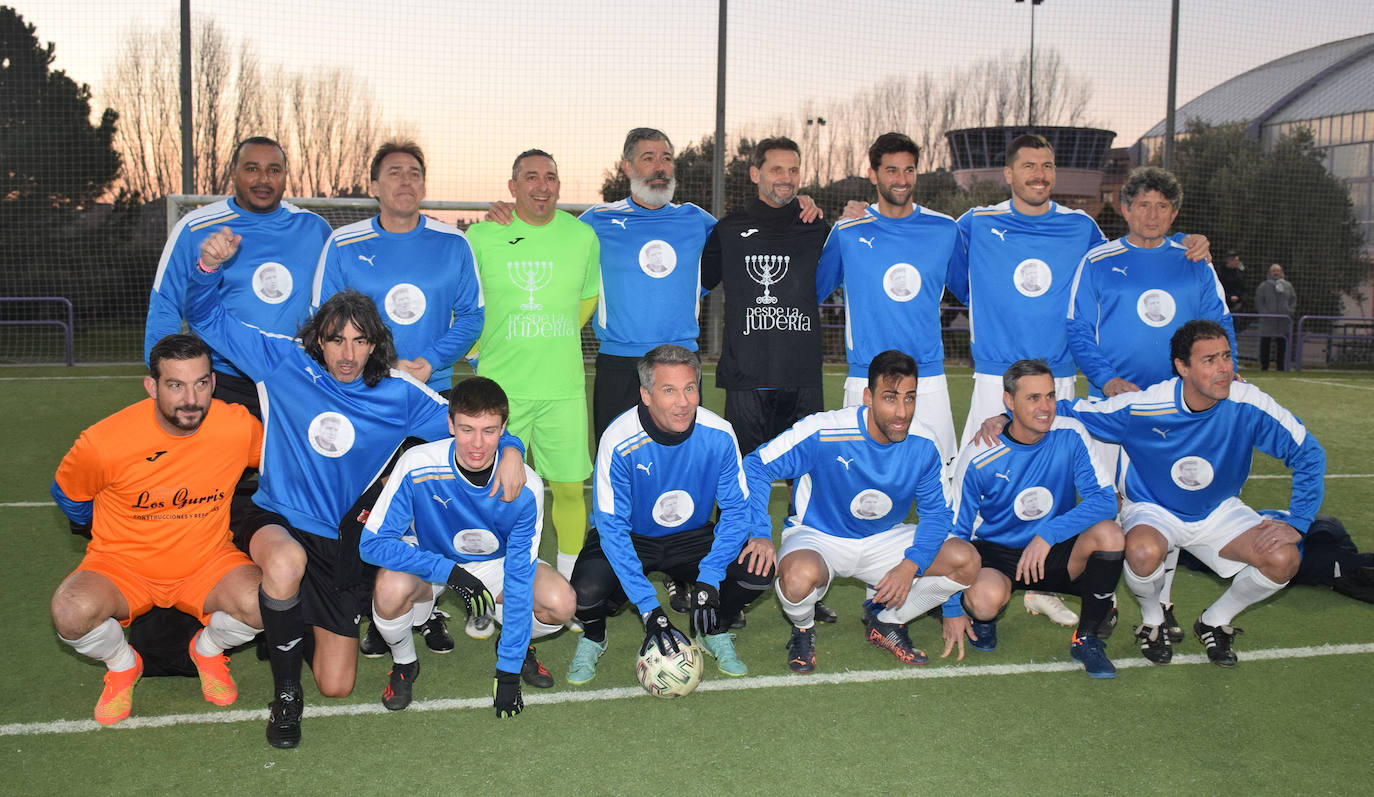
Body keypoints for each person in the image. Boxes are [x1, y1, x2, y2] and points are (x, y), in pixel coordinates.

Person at [186, 232, 526, 747]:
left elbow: (468, 423)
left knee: (338, 684)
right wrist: (207, 268)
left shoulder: (398, 392)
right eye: (336, 339)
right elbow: (208, 319)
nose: (348, 354)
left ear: (376, 344)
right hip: (279, 518)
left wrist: (512, 448)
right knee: (283, 566)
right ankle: (285, 696)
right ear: (317, 338)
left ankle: (288, 623)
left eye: (360, 340)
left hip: (341, 544)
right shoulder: (283, 364)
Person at [950, 135, 1208, 627]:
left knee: (1063, 491)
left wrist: (1190, 242)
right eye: (1028, 166)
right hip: (994, 378)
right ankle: (959, 590)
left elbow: (1123, 264)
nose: (1039, 175)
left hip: (1061, 383)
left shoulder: (1082, 226)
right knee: (975, 483)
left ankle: (1043, 585)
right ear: (1009, 174)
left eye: (1047, 166)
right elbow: (957, 278)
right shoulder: (977, 223)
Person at [1053, 320, 1326, 667]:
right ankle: (1153, 621)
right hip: (1154, 509)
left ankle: (1214, 621)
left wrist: (1298, 521)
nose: (1224, 368)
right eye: (1209, 360)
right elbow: (1073, 411)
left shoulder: (1247, 402)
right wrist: (1006, 417)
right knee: (1141, 551)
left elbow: (1308, 452)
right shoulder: (1145, 406)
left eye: (1226, 356)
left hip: (1218, 512)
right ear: (1182, 367)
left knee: (1284, 558)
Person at [49, 334, 265, 724]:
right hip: (122, 566)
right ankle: (121, 665)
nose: (190, 399)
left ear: (213, 383)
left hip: (207, 563)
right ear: (152, 387)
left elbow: (278, 461)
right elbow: (68, 495)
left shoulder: (237, 426)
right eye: (175, 385)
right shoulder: (104, 441)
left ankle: (209, 649)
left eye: (201, 383)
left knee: (267, 602)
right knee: (69, 613)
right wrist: (93, 527)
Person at [746, 350, 979, 674]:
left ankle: (886, 622)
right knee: (797, 580)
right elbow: (756, 466)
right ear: (868, 396)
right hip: (819, 537)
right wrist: (759, 531)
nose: (902, 412)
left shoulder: (924, 442)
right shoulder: (824, 430)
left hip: (883, 540)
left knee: (966, 561)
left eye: (909, 398)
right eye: (890, 398)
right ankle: (803, 629)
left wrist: (911, 564)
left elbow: (936, 514)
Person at [360, 377, 574, 716]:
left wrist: (507, 673)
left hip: (494, 564)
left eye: (489, 431)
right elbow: (372, 544)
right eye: (466, 429)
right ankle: (404, 664)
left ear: (504, 428)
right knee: (389, 587)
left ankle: (518, 650)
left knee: (560, 603)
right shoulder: (417, 463)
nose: (477, 444)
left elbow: (518, 579)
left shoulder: (525, 485)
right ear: (449, 424)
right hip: (432, 560)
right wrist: (449, 571)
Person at [565, 345, 771, 683]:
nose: (683, 401)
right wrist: (649, 608)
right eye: (669, 390)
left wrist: (710, 578)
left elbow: (736, 512)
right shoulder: (618, 440)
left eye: (690, 388)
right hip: (632, 538)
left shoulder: (718, 434)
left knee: (758, 570)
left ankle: (712, 627)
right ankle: (594, 637)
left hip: (691, 537)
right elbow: (612, 529)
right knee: (585, 595)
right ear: (646, 395)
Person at [465, 149, 600, 581]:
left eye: (551, 177)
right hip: (501, 392)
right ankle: (490, 584)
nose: (542, 186)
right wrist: (478, 348)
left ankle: (572, 583)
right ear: (512, 187)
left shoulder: (582, 237)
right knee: (494, 490)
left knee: (567, 489)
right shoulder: (482, 237)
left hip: (562, 388)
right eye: (531, 177)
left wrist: (550, 334)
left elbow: (587, 299)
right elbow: (466, 304)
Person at [942, 360, 1124, 677]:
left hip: (1053, 550)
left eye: (1050, 396)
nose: (1045, 407)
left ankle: (1087, 639)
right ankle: (982, 619)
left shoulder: (1070, 434)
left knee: (1110, 534)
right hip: (998, 554)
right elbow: (955, 533)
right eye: (1033, 398)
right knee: (985, 602)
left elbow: (1106, 500)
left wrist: (1049, 534)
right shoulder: (981, 454)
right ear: (1009, 401)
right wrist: (951, 607)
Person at [146, 137, 331, 417]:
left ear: (284, 176)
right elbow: (166, 305)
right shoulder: (196, 227)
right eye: (252, 169)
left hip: (295, 378)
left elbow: (332, 305)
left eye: (274, 170)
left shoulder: (315, 229)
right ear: (234, 173)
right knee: (222, 461)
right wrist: (166, 377)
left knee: (285, 462)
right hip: (223, 379)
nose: (263, 179)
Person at [816, 133, 961, 471]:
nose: (901, 180)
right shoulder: (849, 231)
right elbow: (814, 291)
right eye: (892, 170)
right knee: (860, 481)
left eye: (909, 170)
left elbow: (973, 291)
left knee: (940, 482)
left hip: (927, 377)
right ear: (873, 174)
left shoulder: (944, 229)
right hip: (865, 376)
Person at [311, 140, 483, 395]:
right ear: (374, 187)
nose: (406, 181)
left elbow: (472, 316)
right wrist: (382, 365)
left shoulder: (454, 242)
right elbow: (324, 320)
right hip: (362, 387)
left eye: (414, 174)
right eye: (395, 173)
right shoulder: (343, 243)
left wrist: (430, 361)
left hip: (432, 386)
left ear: (424, 187)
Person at [700, 137, 832, 459]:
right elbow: (699, 284)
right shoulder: (729, 230)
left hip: (802, 375)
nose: (786, 178)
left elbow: (829, 282)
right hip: (748, 376)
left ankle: (797, 514)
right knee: (745, 473)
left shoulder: (816, 228)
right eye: (776, 169)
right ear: (755, 174)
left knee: (806, 477)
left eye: (793, 170)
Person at [1067, 166, 1237, 400]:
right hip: (1115, 400)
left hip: (1184, 400)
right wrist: (1107, 379)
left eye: (1162, 206)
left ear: (1174, 213)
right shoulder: (1096, 262)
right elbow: (1078, 329)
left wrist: (1228, 370)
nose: (1152, 215)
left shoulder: (1196, 262)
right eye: (1144, 205)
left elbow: (1219, 326)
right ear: (1126, 210)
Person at [1254, 263, 1297, 371]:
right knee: (1265, 343)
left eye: (1278, 271)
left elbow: (1293, 299)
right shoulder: (1263, 286)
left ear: (1281, 272)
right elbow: (1259, 301)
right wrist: (1264, 313)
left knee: (1282, 344)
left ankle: (1281, 366)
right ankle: (1264, 366)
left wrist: (1289, 311)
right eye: (1274, 271)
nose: (1276, 273)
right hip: (1268, 321)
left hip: (1283, 320)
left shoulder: (1288, 286)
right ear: (1270, 273)